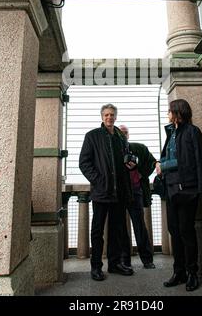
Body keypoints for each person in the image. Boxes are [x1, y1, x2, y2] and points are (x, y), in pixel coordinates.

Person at [79, 103, 134, 281]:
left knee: (117, 230)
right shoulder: (92, 136)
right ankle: (96, 267)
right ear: (102, 117)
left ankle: (114, 263)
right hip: (101, 193)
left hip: (119, 194)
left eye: (112, 115)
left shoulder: (120, 137)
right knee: (97, 231)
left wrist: (131, 163)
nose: (109, 117)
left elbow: (126, 160)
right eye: (106, 115)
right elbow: (84, 163)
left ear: (115, 117)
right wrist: (98, 180)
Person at [156, 99, 202, 292]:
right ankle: (179, 272)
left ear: (178, 112)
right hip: (171, 189)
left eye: (170, 110)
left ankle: (192, 273)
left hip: (187, 190)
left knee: (186, 231)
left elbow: (190, 161)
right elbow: (168, 157)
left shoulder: (192, 132)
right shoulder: (172, 133)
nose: (167, 113)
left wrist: (164, 165)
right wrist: (159, 163)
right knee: (174, 232)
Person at [118, 125, 157, 270]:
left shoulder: (139, 148)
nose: (123, 135)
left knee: (140, 226)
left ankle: (147, 259)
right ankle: (125, 260)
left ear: (128, 135)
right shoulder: (114, 150)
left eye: (125, 132)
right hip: (120, 194)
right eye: (121, 133)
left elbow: (153, 162)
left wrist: (141, 174)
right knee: (121, 227)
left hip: (136, 192)